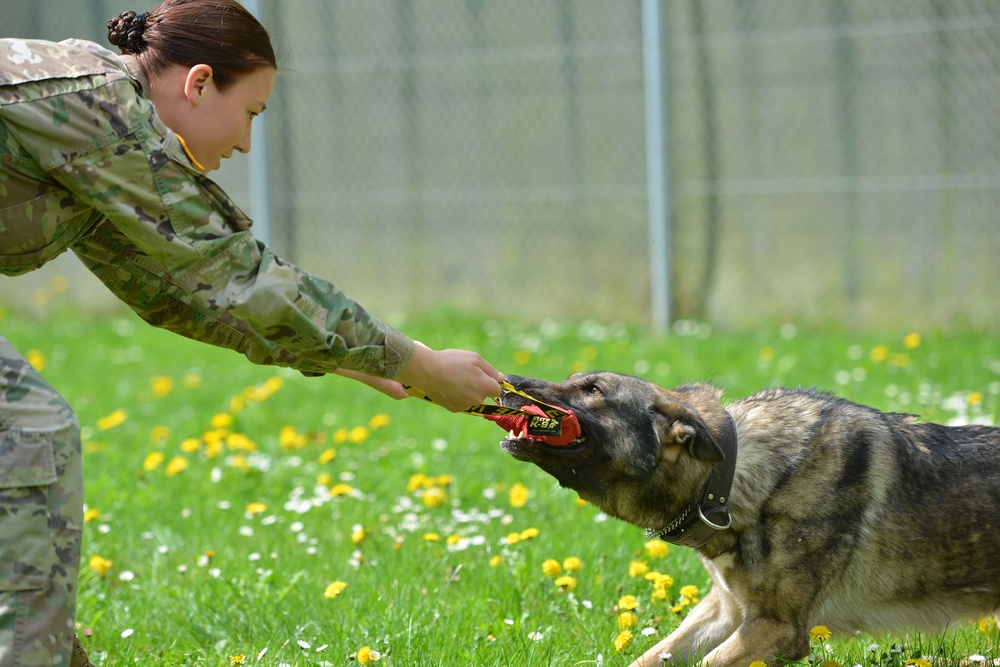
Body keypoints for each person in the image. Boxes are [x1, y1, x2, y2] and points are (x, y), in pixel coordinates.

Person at [0, 2, 503, 665]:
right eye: (251, 114)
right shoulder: (100, 110)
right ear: (199, 83)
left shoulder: (107, 137)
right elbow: (235, 272)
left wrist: (337, 356)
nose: (244, 144)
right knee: (31, 430)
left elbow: (176, 292)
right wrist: (422, 364)